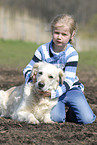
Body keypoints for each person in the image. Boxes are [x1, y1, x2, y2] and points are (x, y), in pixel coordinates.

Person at [23, 14, 96, 124]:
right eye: (57, 33)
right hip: (50, 89)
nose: (59, 37)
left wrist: (53, 94)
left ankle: (73, 111)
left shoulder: (72, 54)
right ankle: (62, 110)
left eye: (64, 34)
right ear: (52, 31)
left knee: (87, 119)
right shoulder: (42, 50)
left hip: (70, 89)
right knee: (57, 119)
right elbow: (28, 68)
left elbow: (68, 81)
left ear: (72, 35)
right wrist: (31, 76)